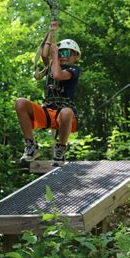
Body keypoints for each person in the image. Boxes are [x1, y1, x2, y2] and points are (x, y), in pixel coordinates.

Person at [14, 21, 81, 166]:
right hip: (47, 111)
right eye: (61, 52)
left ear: (75, 57)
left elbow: (57, 75)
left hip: (64, 116)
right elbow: (45, 54)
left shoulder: (74, 70)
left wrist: (55, 54)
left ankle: (61, 148)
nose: (63, 56)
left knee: (67, 112)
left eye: (67, 53)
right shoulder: (53, 65)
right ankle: (31, 145)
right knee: (20, 103)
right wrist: (51, 32)